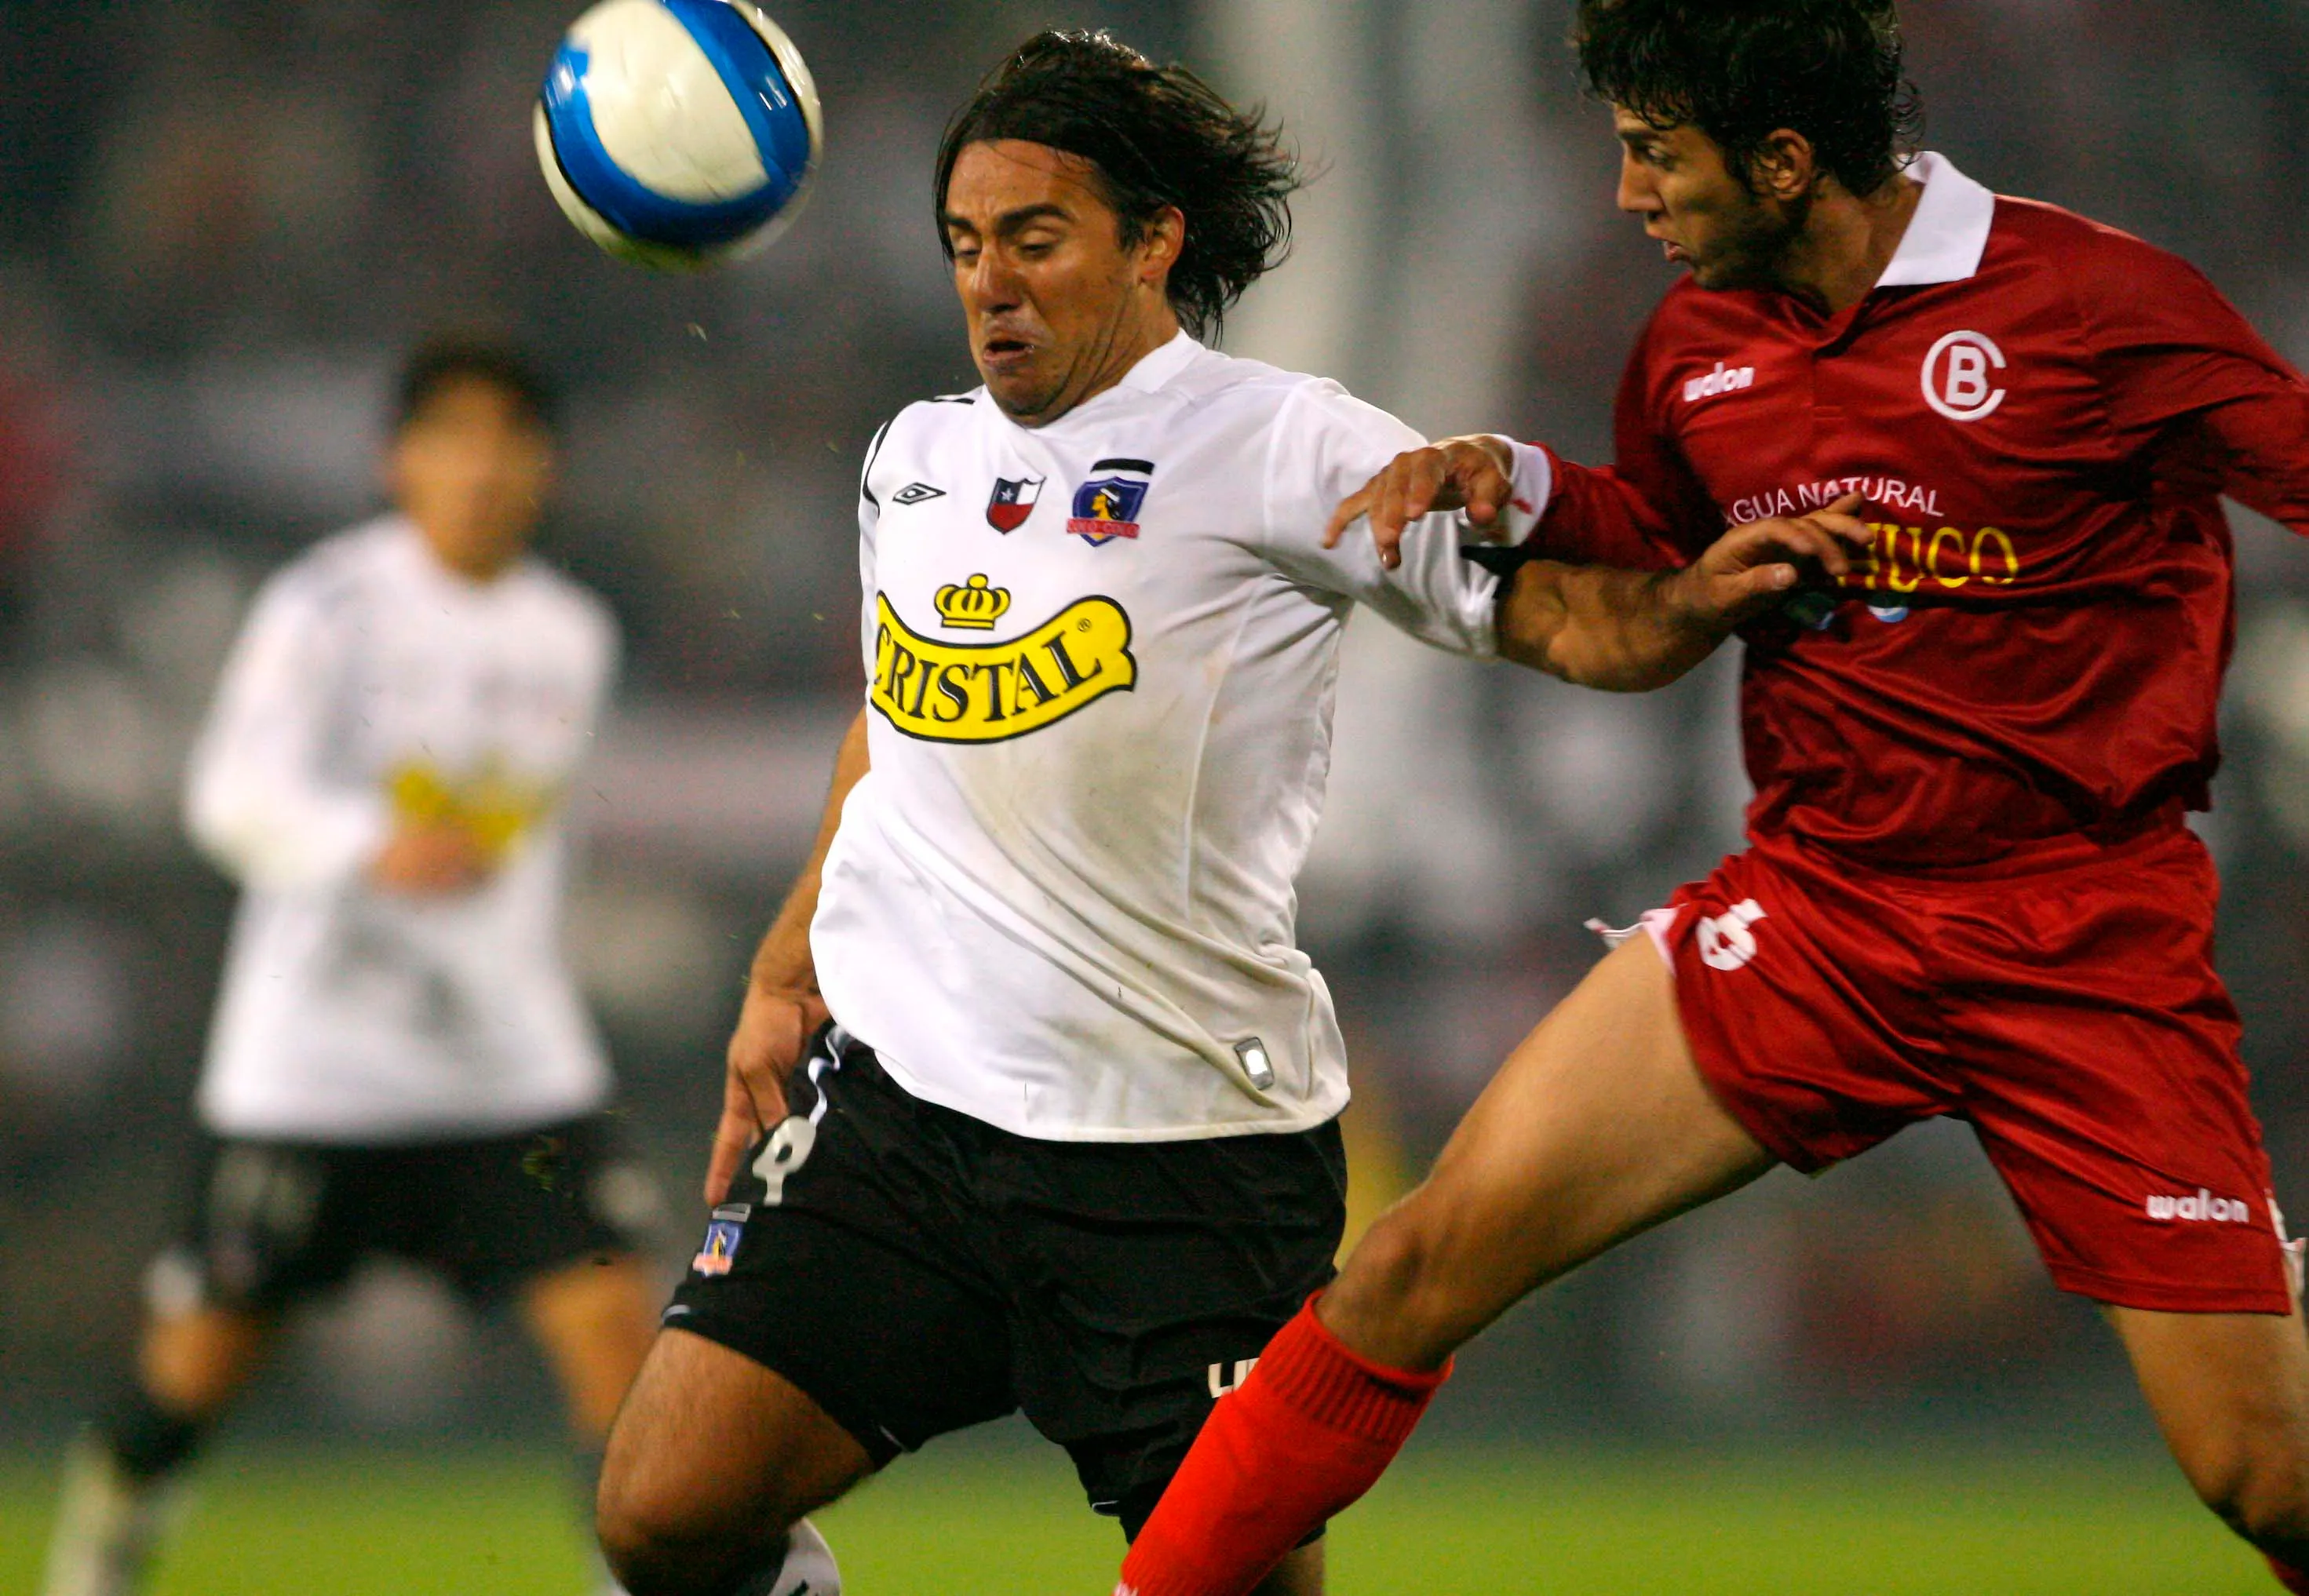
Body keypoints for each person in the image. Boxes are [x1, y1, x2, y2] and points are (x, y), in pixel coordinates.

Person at [591, 30, 1859, 1596]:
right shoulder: (911, 457)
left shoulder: (1282, 442)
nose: (990, 281)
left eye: (1035, 241)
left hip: (1176, 1161)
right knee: (662, 1513)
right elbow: (895, 724)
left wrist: (1686, 606)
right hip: (905, 1123)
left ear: (1151, 241)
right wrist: (787, 972)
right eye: (965, 246)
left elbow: (1554, 620)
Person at [1114, 2, 2309, 1591]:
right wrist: (1518, 483)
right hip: (1818, 918)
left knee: (2266, 1476)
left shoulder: (2094, 307)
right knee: (1411, 1266)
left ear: (1785, 161)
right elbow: (1669, 540)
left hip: (2081, 941)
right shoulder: (1698, 344)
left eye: (1653, 156)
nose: (1626, 196)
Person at [41, 338, 662, 1596]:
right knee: (193, 1374)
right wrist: (371, 843)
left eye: (511, 440)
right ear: (398, 460)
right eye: (455, 438)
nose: (483, 468)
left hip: (511, 1076)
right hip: (316, 1073)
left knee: (624, 1354)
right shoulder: (326, 608)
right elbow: (228, 797)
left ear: (545, 466)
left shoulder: (572, 634)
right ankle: (97, 1557)